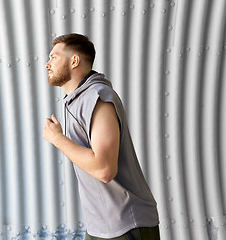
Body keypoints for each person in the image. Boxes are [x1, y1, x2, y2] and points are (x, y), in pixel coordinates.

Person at [43, 33, 160, 240]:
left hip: (126, 225)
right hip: (101, 226)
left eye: (54, 57)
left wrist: (57, 139)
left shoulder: (97, 97)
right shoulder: (77, 100)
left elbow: (105, 169)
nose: (47, 64)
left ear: (74, 60)